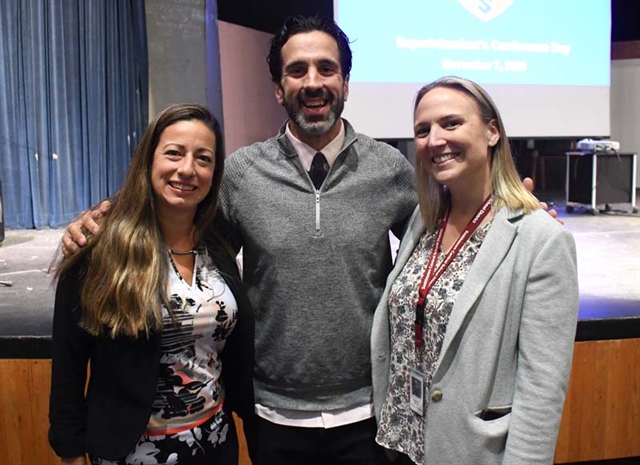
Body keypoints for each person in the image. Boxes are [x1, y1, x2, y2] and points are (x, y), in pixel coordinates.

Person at [60, 16, 555, 465]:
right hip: (270, 413)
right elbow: (181, 230)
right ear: (278, 88)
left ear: (345, 82)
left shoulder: (392, 170)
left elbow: (448, 247)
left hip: (371, 412)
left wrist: (514, 215)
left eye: (326, 68)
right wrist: (105, 219)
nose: (313, 82)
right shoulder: (240, 174)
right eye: (297, 71)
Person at [370, 76, 579, 465]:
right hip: (399, 443)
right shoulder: (424, 220)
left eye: (451, 123)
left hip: (469, 451)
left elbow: (542, 391)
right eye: (422, 130)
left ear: (492, 131)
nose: (434, 140)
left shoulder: (540, 239)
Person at [48, 104, 254, 465]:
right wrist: (69, 453)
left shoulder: (218, 242)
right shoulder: (100, 248)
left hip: (215, 442)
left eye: (203, 159)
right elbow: (68, 363)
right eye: (174, 153)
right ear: (149, 159)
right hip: (132, 451)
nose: (187, 169)